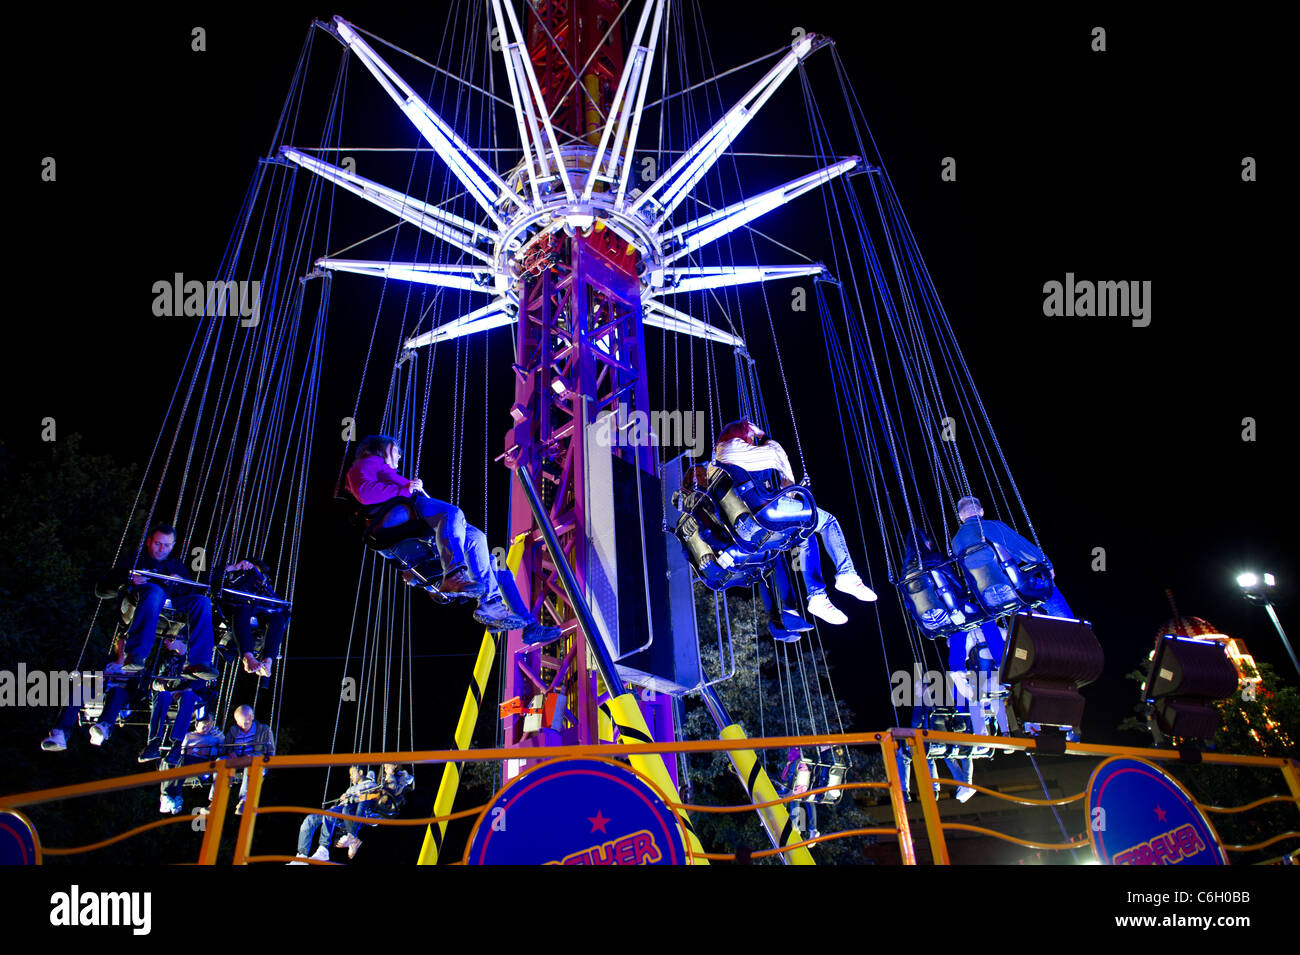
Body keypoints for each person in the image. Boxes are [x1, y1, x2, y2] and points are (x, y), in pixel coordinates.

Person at [346, 434, 552, 633]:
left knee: (478, 539)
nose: (400, 456)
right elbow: (365, 493)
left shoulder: (382, 471)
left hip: (410, 515)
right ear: (384, 448)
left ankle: (495, 607)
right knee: (452, 513)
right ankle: (454, 574)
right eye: (396, 451)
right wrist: (406, 489)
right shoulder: (367, 464)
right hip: (401, 513)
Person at [712, 420, 876, 626]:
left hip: (745, 529)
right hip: (766, 513)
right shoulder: (736, 449)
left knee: (804, 535)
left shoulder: (720, 464)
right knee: (826, 521)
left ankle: (817, 597)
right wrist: (765, 440)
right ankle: (847, 574)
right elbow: (776, 452)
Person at [104, 522, 217, 681]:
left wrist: (181, 582)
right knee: (155, 592)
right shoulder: (135, 559)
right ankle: (136, 653)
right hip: (135, 605)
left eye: (166, 545)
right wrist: (129, 579)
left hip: (168, 609)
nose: (161, 549)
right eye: (158, 543)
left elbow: (191, 592)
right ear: (149, 541)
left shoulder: (176, 566)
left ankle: (199, 662)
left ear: (173, 546)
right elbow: (102, 588)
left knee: (202, 601)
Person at [950, 496, 1073, 619]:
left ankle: (1033, 627)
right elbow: (1024, 549)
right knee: (1052, 593)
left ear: (961, 517)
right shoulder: (995, 526)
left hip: (987, 599)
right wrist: (1047, 565)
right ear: (982, 511)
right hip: (1012, 589)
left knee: (1025, 607)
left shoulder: (955, 542)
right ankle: (1072, 631)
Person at [213, 558, 290, 679]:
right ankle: (248, 657)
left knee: (278, 618)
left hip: (257, 609)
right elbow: (211, 578)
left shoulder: (262, 583)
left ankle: (268, 660)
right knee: (243, 609)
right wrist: (234, 568)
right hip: (234, 604)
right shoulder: (234, 572)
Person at [291, 766, 379, 863]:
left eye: (353, 774)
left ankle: (323, 849)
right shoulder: (351, 788)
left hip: (351, 810)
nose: (350, 777)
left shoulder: (370, 784)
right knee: (310, 819)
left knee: (329, 814)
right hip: (339, 808)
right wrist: (342, 799)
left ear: (361, 772)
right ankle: (301, 855)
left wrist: (356, 795)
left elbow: (370, 799)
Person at [159, 711, 224, 814]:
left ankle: (168, 796)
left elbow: (222, 749)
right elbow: (180, 751)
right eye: (204, 723)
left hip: (203, 764)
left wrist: (219, 738)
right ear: (197, 724)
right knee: (167, 761)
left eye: (209, 723)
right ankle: (170, 797)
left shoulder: (215, 737)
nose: (207, 726)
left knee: (185, 758)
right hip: (187, 762)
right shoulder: (189, 736)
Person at [220, 704, 274, 814]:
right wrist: (231, 753)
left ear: (252, 717)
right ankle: (215, 799)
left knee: (251, 763)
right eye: (241, 722)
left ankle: (245, 801)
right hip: (238, 761)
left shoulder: (264, 730)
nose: (244, 725)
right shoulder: (233, 731)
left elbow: (270, 752)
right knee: (220, 761)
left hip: (255, 762)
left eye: (247, 721)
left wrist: (257, 758)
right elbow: (226, 748)